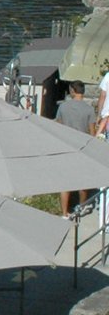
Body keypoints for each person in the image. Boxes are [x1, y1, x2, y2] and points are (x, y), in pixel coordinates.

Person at [56, 81, 97, 217]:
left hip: (65, 147)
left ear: (72, 91)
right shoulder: (89, 110)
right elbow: (92, 132)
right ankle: (82, 207)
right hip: (82, 148)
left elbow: (58, 126)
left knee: (65, 182)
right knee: (83, 181)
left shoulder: (63, 107)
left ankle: (64, 212)